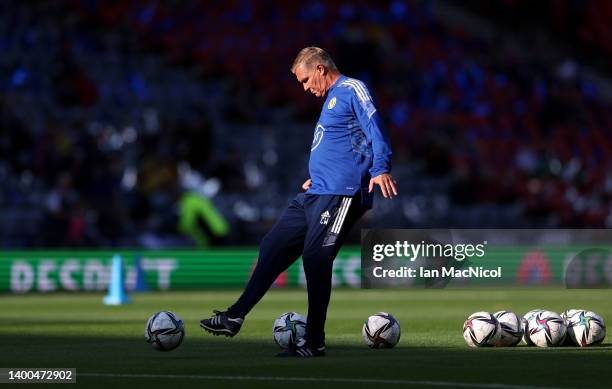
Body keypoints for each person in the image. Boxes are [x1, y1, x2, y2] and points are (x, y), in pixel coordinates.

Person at [200, 47, 397, 357]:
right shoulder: (332, 101)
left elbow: (375, 127)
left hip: (341, 193)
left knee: (316, 259)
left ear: (320, 69)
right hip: (314, 192)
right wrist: (316, 176)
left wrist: (381, 167)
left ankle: (314, 341)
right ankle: (234, 316)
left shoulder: (351, 89)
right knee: (272, 245)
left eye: (306, 81)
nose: (305, 88)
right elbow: (340, 144)